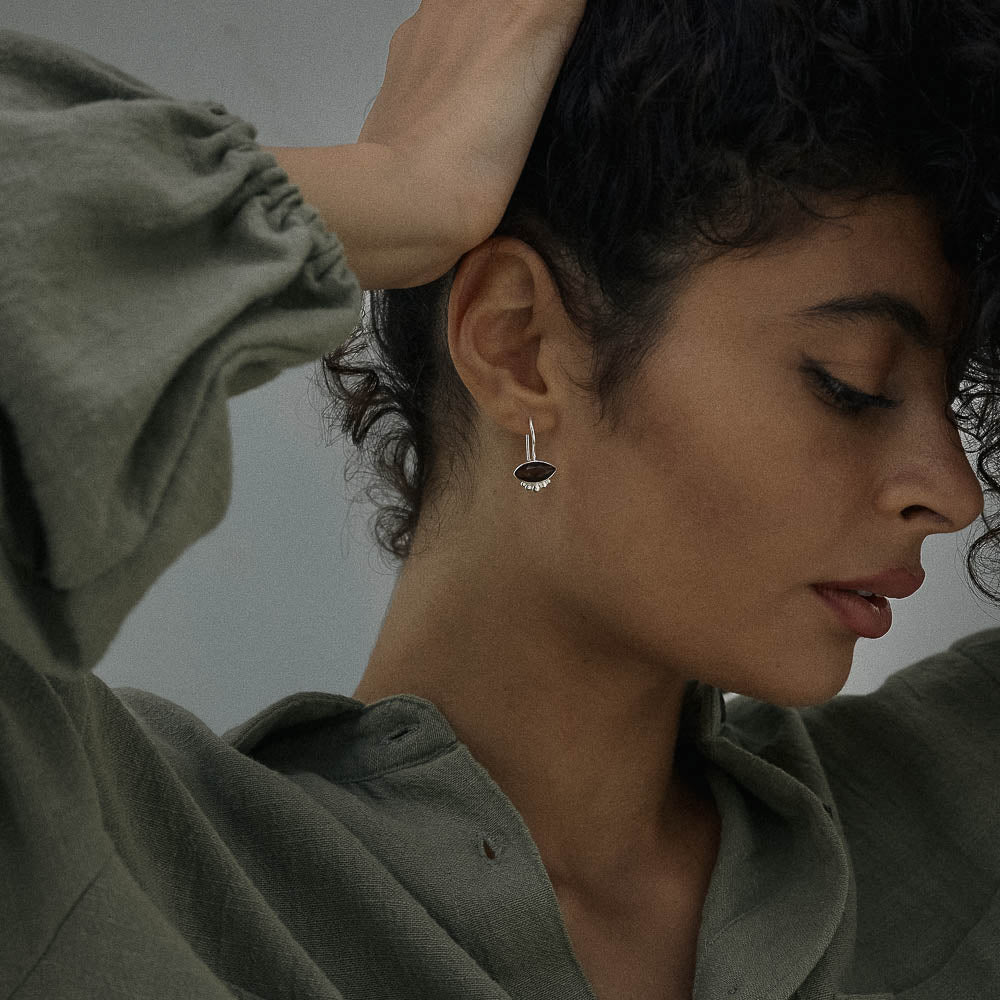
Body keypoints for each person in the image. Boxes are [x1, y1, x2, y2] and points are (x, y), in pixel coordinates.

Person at [1, 0, 999, 997]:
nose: (950, 492)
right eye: (851, 381)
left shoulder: (948, 828)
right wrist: (396, 189)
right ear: (518, 343)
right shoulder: (106, 864)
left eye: (950, 399)